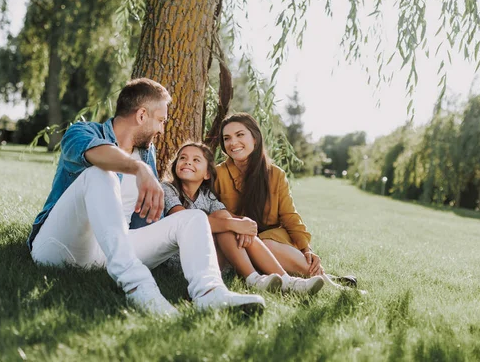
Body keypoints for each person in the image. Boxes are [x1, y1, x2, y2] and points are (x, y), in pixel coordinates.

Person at [28, 78, 265, 316]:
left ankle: (209, 292)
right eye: (160, 120)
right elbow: (97, 153)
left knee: (193, 218)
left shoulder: (146, 152)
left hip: (110, 251)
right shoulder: (82, 131)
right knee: (100, 174)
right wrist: (140, 170)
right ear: (142, 115)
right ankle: (139, 287)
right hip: (58, 246)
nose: (162, 129)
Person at [161, 142, 325, 295]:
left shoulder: (207, 196)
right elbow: (184, 220)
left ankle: (286, 280)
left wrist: (244, 224)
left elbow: (228, 217)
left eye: (196, 160)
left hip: (211, 259)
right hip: (183, 260)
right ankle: (254, 278)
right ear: (175, 166)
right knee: (226, 224)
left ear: (207, 174)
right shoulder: (168, 189)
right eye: (183, 158)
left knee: (224, 218)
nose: (188, 162)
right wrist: (233, 224)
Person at [216, 113, 356, 288]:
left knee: (267, 243)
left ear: (255, 138)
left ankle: (325, 279)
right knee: (256, 242)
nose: (233, 143)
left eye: (240, 135)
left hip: (271, 240)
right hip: (237, 243)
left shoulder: (275, 174)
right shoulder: (218, 174)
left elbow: (290, 217)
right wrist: (240, 224)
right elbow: (215, 212)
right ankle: (329, 281)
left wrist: (307, 249)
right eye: (227, 138)